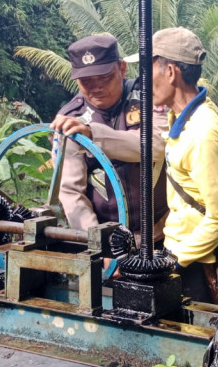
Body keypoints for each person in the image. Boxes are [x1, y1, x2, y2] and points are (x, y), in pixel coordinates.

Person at [147, 27, 218, 304]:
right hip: (184, 254)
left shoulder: (202, 132)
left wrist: (176, 261)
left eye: (148, 70)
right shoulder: (192, 114)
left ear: (171, 72)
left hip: (195, 266)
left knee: (198, 343)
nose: (142, 80)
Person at [50, 34, 169, 252]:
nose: (96, 87)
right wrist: (99, 247)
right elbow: (71, 193)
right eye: (86, 81)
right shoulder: (70, 119)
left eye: (104, 77)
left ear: (122, 69)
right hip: (108, 244)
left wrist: (93, 135)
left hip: (164, 233)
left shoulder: (149, 97)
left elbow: (157, 146)